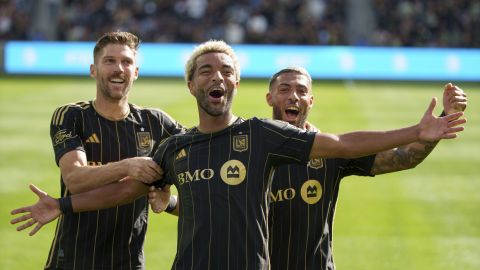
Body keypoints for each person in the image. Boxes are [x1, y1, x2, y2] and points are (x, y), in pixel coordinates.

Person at [11, 40, 466, 269]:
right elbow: (125, 192)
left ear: (236, 84)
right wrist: (63, 206)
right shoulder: (175, 146)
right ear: (191, 85)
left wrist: (418, 131)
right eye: (205, 70)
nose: (217, 76)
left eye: (226, 70)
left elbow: (342, 145)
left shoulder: (264, 135)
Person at [147, 67, 468, 270]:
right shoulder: (251, 146)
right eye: (285, 89)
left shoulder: (330, 153)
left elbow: (404, 157)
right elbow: (215, 203)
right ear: (269, 96)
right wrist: (172, 203)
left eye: (301, 90)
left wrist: (439, 123)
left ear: (311, 101)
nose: (293, 96)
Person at [34, 31, 184, 270]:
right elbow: (75, 179)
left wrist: (169, 199)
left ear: (136, 72)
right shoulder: (72, 116)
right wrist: (128, 166)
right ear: (93, 70)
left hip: (129, 262)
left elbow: (204, 176)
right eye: (109, 61)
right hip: (72, 261)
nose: (119, 69)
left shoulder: (157, 123)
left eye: (126, 62)